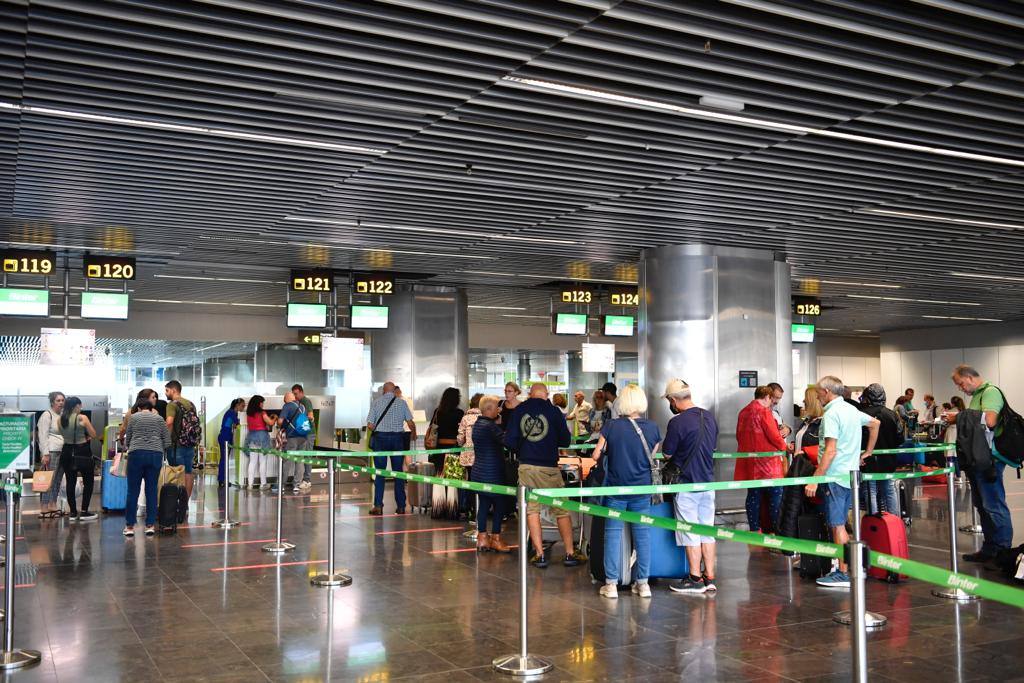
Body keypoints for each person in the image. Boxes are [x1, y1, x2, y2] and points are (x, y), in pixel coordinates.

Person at [804, 376, 879, 588]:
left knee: (837, 525)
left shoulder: (832, 414)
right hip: (850, 474)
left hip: (835, 475)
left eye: (819, 392)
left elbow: (830, 450)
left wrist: (815, 479)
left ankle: (845, 572)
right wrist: (867, 452)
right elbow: (875, 424)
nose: (817, 396)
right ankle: (847, 568)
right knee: (841, 523)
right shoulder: (850, 410)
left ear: (827, 392)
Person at [505, 383, 585, 568]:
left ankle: (540, 554)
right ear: (546, 394)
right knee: (561, 509)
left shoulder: (519, 410)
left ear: (530, 394)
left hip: (526, 466)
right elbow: (565, 440)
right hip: (549, 468)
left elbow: (509, 441)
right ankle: (569, 553)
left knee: (532, 510)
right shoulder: (554, 412)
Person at [592, 384, 661, 599]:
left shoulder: (611, 426)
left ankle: (611, 585)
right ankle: (643, 584)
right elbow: (653, 455)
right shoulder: (652, 427)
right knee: (643, 536)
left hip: (616, 488)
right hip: (642, 489)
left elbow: (595, 455)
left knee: (611, 535)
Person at [946, 365, 1014, 564]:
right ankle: (991, 547)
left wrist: (959, 417)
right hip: (978, 458)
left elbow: (990, 420)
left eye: (960, 383)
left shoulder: (990, 392)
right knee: (982, 505)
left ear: (969, 377)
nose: (960, 388)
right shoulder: (977, 396)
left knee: (993, 505)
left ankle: (1002, 550)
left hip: (989, 459)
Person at [661, 379, 720, 594]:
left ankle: (694, 579)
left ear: (673, 400)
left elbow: (668, 453)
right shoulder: (710, 417)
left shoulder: (677, 422)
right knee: (707, 530)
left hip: (686, 484)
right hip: (708, 482)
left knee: (690, 532)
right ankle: (710, 577)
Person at [735, 386, 790, 534]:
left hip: (749, 463)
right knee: (775, 497)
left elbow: (739, 437)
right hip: (768, 464)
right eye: (772, 399)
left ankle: (755, 530)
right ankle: (776, 531)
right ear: (767, 396)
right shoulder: (764, 412)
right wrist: (785, 447)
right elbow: (774, 436)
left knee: (753, 496)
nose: (772, 403)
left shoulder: (743, 412)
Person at [123, 390, 171, 537]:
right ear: (151, 409)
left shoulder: (134, 417)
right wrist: (158, 449)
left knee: (133, 491)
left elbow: (128, 439)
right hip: (155, 455)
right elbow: (167, 440)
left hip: (136, 454)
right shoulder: (159, 419)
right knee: (151, 491)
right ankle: (150, 525)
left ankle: (130, 526)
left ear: (138, 408)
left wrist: (131, 447)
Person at [367, 382, 417, 516]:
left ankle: (378, 506)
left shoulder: (376, 402)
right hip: (397, 440)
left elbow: (370, 425)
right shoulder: (401, 403)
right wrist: (414, 434)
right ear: (394, 390)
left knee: (380, 473)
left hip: (380, 440)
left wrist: (379, 427)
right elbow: (410, 422)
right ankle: (401, 506)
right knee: (398, 473)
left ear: (384, 390)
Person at [470, 395, 511, 553]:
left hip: (479, 471)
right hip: (493, 472)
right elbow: (506, 441)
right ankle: (495, 538)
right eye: (496, 407)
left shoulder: (478, 425)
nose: (499, 409)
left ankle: (482, 538)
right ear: (489, 409)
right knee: (500, 505)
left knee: (484, 504)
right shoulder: (491, 427)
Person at [858, 384, 902, 515]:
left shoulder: (861, 415)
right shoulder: (893, 414)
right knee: (889, 489)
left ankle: (874, 522)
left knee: (870, 489)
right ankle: (895, 520)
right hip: (888, 459)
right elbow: (899, 438)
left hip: (866, 458)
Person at [58, 396, 99, 522]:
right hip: (82, 452)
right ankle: (85, 511)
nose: (81, 409)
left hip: (66, 452)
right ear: (76, 406)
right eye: (80, 406)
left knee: (71, 481)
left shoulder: (60, 419)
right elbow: (93, 434)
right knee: (88, 482)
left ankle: (73, 513)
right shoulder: (82, 418)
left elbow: (63, 434)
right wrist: (86, 437)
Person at [164, 380, 197, 498]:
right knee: (188, 472)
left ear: (174, 390)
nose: (165, 393)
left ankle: (175, 502)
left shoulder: (172, 404)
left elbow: (169, 423)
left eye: (167, 390)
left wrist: (165, 440)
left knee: (176, 473)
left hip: (176, 445)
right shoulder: (191, 404)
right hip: (190, 444)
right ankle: (185, 504)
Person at [35, 391, 66, 518]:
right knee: (49, 480)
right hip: (51, 451)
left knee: (58, 480)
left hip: (63, 451)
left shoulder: (63, 416)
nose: (61, 403)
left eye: (63, 400)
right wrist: (45, 454)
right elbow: (42, 436)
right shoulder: (47, 415)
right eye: (58, 400)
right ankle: (44, 506)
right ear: (52, 402)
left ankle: (53, 504)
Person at [457, 393, 483, 521]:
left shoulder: (465, 418)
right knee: (481, 482)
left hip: (468, 455)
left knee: (470, 481)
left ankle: (469, 508)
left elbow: (460, 438)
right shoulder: (485, 417)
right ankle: (480, 509)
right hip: (482, 455)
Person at [278, 391, 309, 494]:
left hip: (292, 437)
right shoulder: (303, 406)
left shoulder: (287, 406)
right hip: (303, 436)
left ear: (286, 399)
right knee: (300, 460)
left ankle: (282, 485)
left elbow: (280, 421)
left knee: (287, 460)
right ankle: (296, 485)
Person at [429, 387, 464, 473]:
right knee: (452, 475)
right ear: (456, 399)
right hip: (454, 449)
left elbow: (432, 427)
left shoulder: (437, 412)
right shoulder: (459, 413)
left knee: (439, 474)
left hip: (438, 448)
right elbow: (462, 432)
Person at [244, 395, 276, 490]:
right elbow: (270, 423)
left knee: (252, 462)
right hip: (262, 437)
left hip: (252, 437)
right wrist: (274, 418)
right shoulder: (262, 413)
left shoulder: (249, 414)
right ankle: (263, 484)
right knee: (262, 462)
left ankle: (250, 485)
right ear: (259, 403)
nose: (263, 404)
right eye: (262, 402)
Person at [291, 384, 315, 490]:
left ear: (301, 392)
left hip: (309, 433)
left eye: (296, 394)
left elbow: (310, 415)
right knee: (303, 456)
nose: (295, 396)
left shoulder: (305, 401)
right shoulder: (299, 402)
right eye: (293, 394)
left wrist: (301, 418)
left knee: (307, 456)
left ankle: (307, 480)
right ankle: (303, 479)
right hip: (303, 433)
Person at [217, 398, 244, 488]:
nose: (243, 408)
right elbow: (237, 424)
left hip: (226, 436)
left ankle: (222, 479)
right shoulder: (232, 413)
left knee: (224, 459)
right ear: (237, 405)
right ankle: (222, 480)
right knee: (224, 460)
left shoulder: (231, 412)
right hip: (225, 437)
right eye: (242, 406)